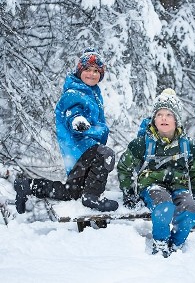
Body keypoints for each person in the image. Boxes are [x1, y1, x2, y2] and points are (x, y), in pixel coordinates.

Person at [14, 47, 119, 214]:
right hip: (82, 149)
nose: (91, 74)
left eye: (96, 71)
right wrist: (78, 121)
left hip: (80, 154)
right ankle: (92, 196)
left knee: (71, 192)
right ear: (79, 71)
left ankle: (28, 186)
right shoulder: (74, 93)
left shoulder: (92, 94)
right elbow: (72, 112)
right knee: (106, 154)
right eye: (87, 70)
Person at [117, 88, 195, 258]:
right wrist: (128, 192)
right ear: (154, 119)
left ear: (177, 119)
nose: (163, 118)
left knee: (190, 210)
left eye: (169, 115)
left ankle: (177, 243)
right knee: (164, 205)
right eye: (159, 114)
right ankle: (161, 242)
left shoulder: (188, 145)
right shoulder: (142, 143)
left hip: (178, 186)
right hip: (151, 186)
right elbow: (124, 167)